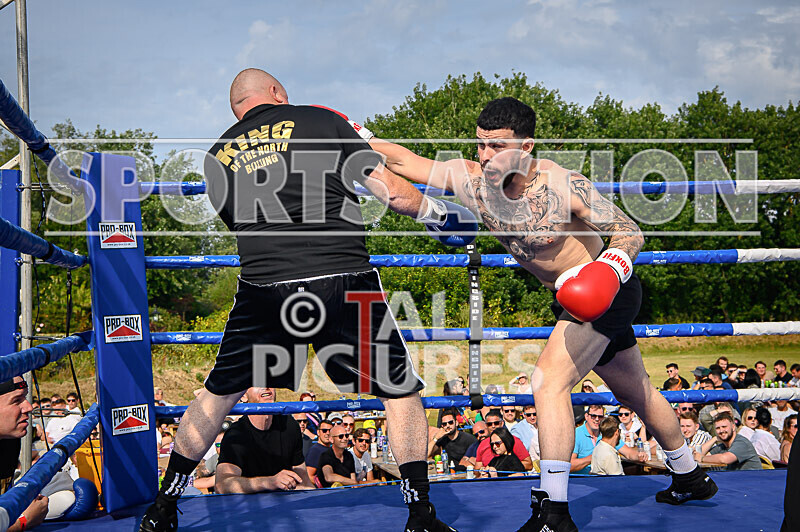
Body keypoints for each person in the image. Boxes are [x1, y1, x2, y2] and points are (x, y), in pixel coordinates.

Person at [365, 95, 718, 529]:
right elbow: (403, 161)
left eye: (498, 146)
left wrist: (609, 268)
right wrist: (353, 135)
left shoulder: (562, 184)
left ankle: (554, 512)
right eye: (480, 144)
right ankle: (689, 476)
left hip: (606, 291)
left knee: (547, 382)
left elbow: (628, 229)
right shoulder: (470, 179)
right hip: (567, 298)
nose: (486, 155)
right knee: (636, 392)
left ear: (526, 146)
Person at [140, 69, 468, 532]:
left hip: (264, 287)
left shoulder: (216, 156)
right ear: (277, 94)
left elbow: (242, 228)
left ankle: (163, 507)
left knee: (219, 394)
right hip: (342, 275)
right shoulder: (318, 120)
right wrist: (438, 214)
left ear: (237, 108)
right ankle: (420, 511)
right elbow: (390, 191)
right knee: (398, 389)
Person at [214, 388, 314, 494]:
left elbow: (304, 482)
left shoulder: (289, 425)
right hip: (249, 507)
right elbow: (222, 485)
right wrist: (269, 482)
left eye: (269, 380)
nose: (266, 386)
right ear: (243, 396)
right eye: (257, 381)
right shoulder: (236, 434)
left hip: (285, 506)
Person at [0, 378, 49, 531]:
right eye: (16, 400)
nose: (28, 407)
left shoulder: (9, 440)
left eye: (25, 398)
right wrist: (22, 522)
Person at [571, 405, 644, 474]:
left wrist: (639, 455)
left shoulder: (606, 431)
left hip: (604, 477)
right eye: (593, 416)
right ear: (586, 416)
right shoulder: (576, 434)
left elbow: (628, 452)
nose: (597, 419)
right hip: (582, 480)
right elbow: (570, 465)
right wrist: (595, 457)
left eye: (600, 417)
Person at [695, 412, 761, 471]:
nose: (721, 431)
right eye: (718, 428)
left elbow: (724, 459)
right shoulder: (722, 446)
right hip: (735, 481)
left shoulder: (742, 443)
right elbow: (699, 453)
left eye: (724, 427)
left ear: (733, 427)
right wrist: (714, 439)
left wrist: (702, 458)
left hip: (752, 481)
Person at [475, 410, 532, 475]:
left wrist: (500, 470)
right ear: (486, 426)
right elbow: (476, 470)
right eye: (489, 424)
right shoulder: (483, 444)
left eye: (496, 423)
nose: (493, 426)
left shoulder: (513, 441)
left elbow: (529, 465)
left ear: (502, 423)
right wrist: (483, 471)